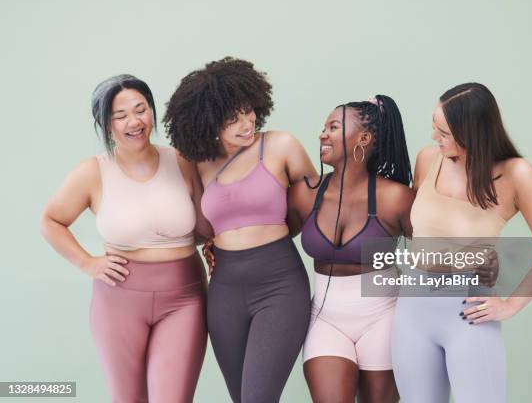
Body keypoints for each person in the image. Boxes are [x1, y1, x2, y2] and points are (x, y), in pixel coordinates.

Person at [391, 82, 532, 403]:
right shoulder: (428, 160)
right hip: (412, 311)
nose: (434, 137)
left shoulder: (517, 174)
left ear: (473, 132)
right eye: (434, 126)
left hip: (467, 313)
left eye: (444, 132)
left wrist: (512, 305)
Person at [40, 74, 210, 403]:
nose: (134, 121)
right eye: (120, 116)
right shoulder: (93, 171)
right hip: (118, 301)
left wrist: (220, 242)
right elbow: (51, 220)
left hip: (184, 299)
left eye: (141, 109)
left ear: (152, 112)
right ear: (105, 125)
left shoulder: (181, 160)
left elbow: (205, 227)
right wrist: (86, 262)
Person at [163, 57, 318, 403]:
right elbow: (205, 227)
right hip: (225, 291)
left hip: (279, 283)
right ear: (207, 122)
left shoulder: (280, 146)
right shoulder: (198, 163)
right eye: (231, 118)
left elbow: (311, 208)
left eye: (247, 111)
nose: (246, 123)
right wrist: (207, 244)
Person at [287, 95, 415, 402]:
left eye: (333, 127)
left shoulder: (395, 197)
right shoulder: (305, 194)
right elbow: (270, 239)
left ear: (364, 138)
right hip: (325, 317)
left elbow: (434, 257)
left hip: (384, 316)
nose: (322, 134)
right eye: (323, 127)